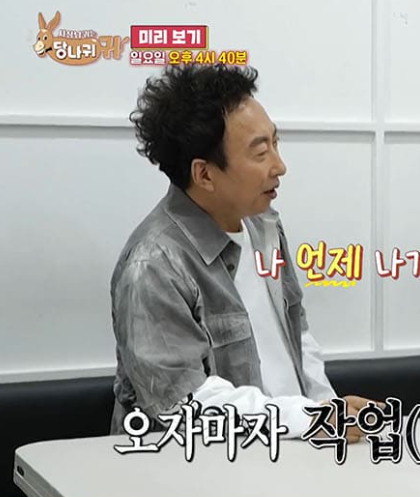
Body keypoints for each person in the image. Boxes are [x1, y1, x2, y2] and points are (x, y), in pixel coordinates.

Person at [110, 64, 375, 442]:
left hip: (291, 450)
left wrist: (327, 410)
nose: (279, 166)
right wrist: (307, 419)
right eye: (260, 152)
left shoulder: (263, 225)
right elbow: (185, 405)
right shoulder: (153, 265)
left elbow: (297, 335)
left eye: (276, 143)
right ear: (204, 174)